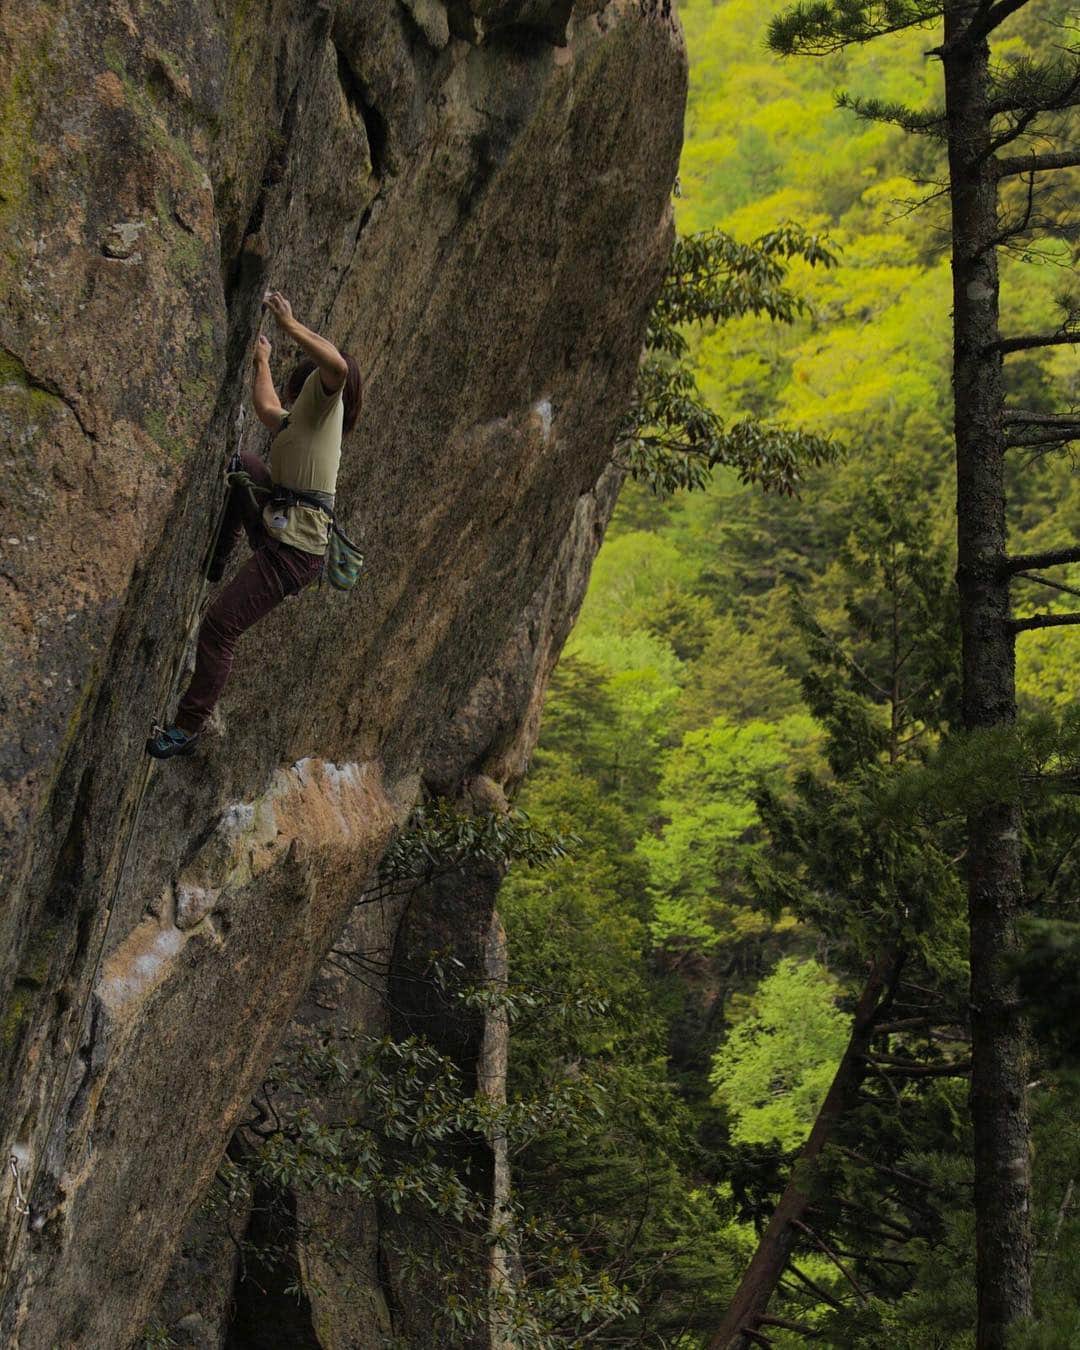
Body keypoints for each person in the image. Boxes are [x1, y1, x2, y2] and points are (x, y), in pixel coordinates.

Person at [146, 293, 361, 758]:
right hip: (276, 529)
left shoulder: (324, 408)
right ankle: (216, 560)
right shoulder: (298, 421)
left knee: (220, 628)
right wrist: (261, 359)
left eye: (294, 387)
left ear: (308, 388)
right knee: (245, 463)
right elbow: (265, 407)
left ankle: (187, 728)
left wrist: (291, 326)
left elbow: (339, 369)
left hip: (294, 553)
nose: (288, 394)